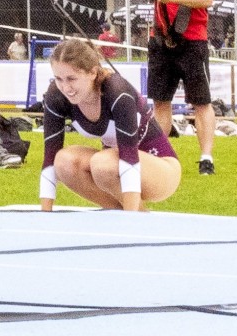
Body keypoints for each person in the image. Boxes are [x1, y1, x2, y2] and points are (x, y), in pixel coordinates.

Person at [39, 35, 179, 211]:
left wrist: (130, 220)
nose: (66, 88)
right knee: (64, 162)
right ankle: (121, 212)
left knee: (102, 164)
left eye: (72, 79)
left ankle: (136, 216)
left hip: (161, 169)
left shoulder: (117, 91)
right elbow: (49, 159)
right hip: (114, 165)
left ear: (92, 72)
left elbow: (129, 159)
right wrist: (44, 214)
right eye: (58, 79)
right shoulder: (57, 95)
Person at [141, 0, 220, 175]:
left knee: (201, 101)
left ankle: (206, 158)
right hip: (161, 37)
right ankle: (162, 156)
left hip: (193, 39)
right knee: (160, 99)